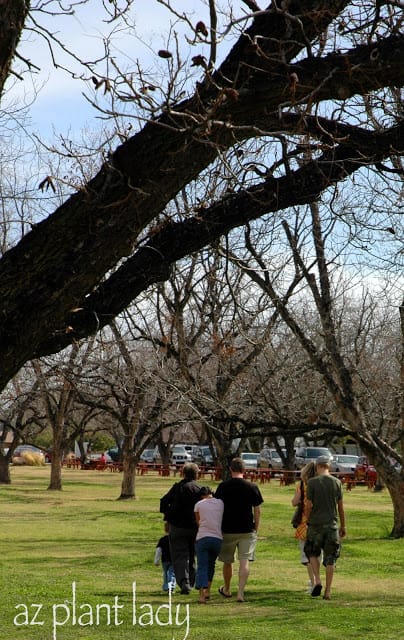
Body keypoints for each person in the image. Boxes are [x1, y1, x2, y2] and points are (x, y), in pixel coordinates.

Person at [215, 457, 264, 602]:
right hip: (246, 529)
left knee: (227, 561)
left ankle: (227, 588)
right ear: (244, 470)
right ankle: (241, 592)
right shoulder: (252, 487)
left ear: (231, 470)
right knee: (244, 561)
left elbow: (217, 508)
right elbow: (257, 510)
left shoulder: (223, 487)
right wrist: (256, 527)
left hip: (227, 528)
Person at [304, 455, 346, 600]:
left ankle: (317, 580)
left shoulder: (312, 482)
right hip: (332, 525)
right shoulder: (337, 483)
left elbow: (308, 505)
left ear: (318, 466)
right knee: (330, 558)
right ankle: (328, 591)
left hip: (315, 525)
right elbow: (340, 507)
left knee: (312, 552)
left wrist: (307, 519)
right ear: (329, 466)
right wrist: (343, 525)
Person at [159, 462, 202, 594]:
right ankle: (192, 579)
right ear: (196, 474)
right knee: (192, 553)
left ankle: (184, 581)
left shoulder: (177, 488)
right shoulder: (199, 489)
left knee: (180, 555)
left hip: (177, 526)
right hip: (195, 526)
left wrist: (167, 517)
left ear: (183, 473)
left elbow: (164, 502)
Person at [291, 461, 319, 593]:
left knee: (307, 555)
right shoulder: (321, 484)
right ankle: (317, 579)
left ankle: (313, 582)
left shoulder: (302, 485)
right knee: (317, 553)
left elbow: (294, 502)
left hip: (304, 523)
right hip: (319, 522)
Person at [194, 486, 224, 603]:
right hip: (217, 538)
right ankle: (208, 592)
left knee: (202, 565)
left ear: (201, 496)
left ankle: (201, 595)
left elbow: (198, 522)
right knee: (211, 565)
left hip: (203, 537)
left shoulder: (199, 504)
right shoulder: (220, 503)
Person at [154, 522, 176, 592]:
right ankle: (171, 585)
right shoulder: (175, 539)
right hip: (173, 559)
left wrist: (156, 561)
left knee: (165, 573)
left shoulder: (162, 540)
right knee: (172, 573)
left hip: (164, 560)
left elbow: (158, 550)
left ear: (165, 529)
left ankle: (166, 586)